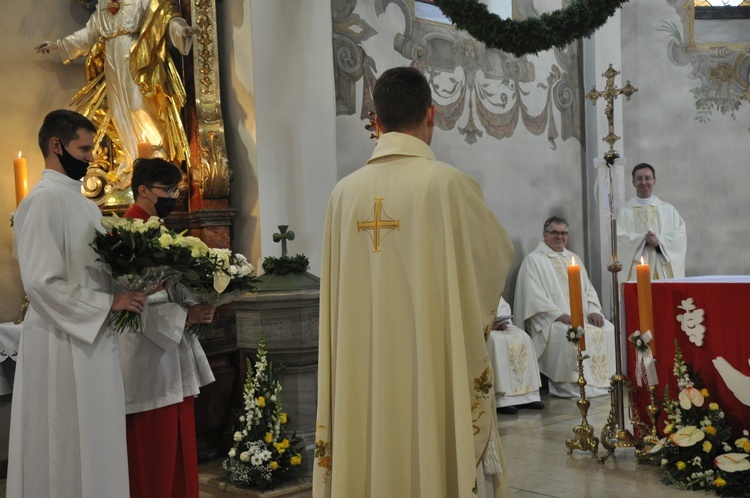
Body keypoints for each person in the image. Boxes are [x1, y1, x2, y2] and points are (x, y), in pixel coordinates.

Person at [314, 66, 514, 498]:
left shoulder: (342, 195)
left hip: (361, 367)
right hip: (432, 363)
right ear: (432, 116)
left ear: (378, 122)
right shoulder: (448, 186)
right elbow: (495, 260)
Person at [8, 109, 147, 498]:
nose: (90, 157)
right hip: (61, 341)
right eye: (84, 148)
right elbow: (40, 280)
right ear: (56, 145)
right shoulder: (43, 200)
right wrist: (107, 303)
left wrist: (137, 281)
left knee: (97, 438)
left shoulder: (83, 203)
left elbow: (92, 269)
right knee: (63, 439)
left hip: (92, 336)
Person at [119, 158, 215, 498]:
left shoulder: (161, 231)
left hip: (170, 352)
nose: (174, 196)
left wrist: (201, 301)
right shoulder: (125, 236)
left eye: (177, 189)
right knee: (153, 458)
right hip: (146, 357)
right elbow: (132, 300)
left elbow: (169, 288)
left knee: (178, 450)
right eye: (168, 189)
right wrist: (184, 317)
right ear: (143, 190)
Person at [35, 0, 196, 186]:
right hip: (112, 62)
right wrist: (58, 44)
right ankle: (132, 160)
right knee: (118, 112)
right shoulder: (104, 3)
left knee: (139, 107)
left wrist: (181, 30)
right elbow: (89, 34)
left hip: (138, 57)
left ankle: (157, 154)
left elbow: (165, 17)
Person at [514, 216, 616, 398]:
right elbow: (534, 296)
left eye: (563, 233)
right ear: (545, 235)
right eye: (554, 233)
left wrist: (593, 309)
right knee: (568, 334)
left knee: (608, 328)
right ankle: (572, 386)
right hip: (551, 321)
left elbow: (588, 289)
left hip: (581, 317)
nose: (559, 237)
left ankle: (604, 382)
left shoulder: (573, 258)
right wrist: (557, 315)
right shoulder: (534, 260)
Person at [617, 163, 687, 280]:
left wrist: (659, 241)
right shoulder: (624, 211)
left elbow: (680, 235)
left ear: (654, 181)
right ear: (633, 183)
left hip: (662, 270)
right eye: (639, 179)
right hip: (637, 272)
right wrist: (642, 240)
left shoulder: (668, 209)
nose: (643, 182)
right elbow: (618, 238)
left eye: (647, 178)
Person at [486, 297, 544, 414]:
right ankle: (502, 400)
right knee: (496, 341)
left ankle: (528, 396)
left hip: (498, 325)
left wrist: (502, 321)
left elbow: (501, 303)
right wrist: (487, 323)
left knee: (523, 337)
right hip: (484, 327)